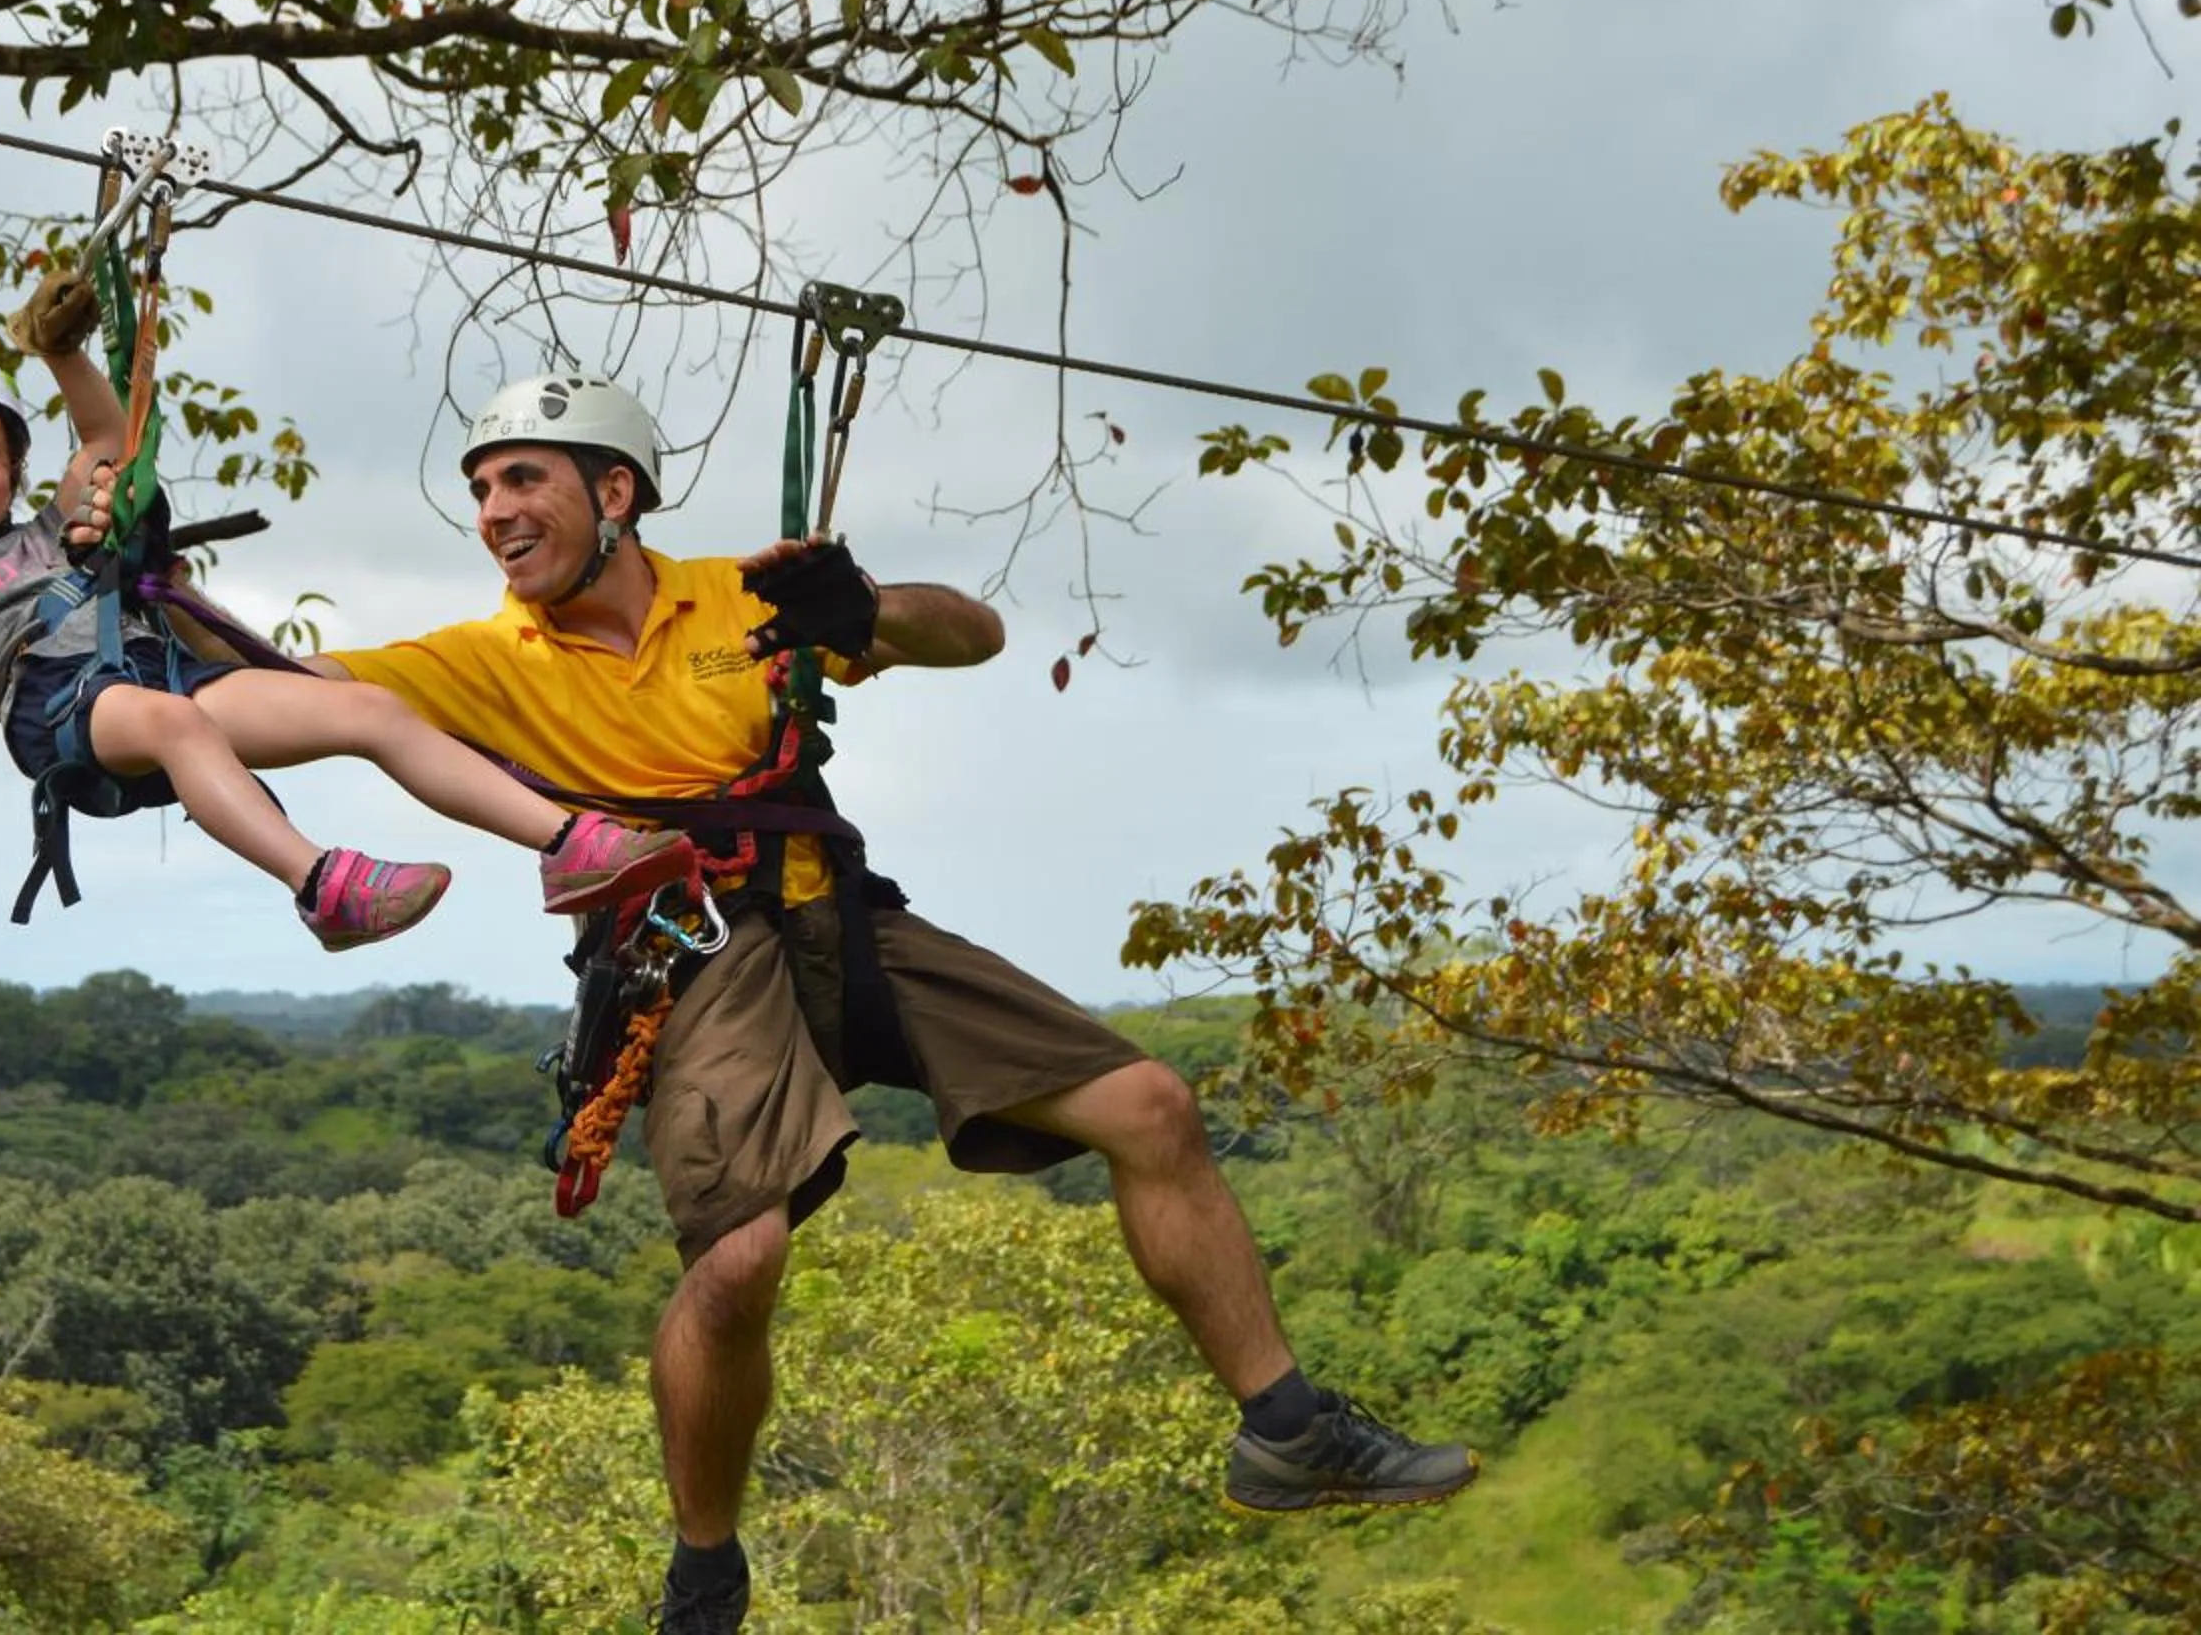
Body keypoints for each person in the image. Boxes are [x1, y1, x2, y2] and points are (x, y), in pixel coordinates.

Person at [309, 373, 1476, 1631]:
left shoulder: (738, 595)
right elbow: (277, 679)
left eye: (521, 477)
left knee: (1150, 1103)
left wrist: (865, 607)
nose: (493, 509)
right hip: (694, 946)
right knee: (740, 1255)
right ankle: (704, 1574)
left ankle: (1290, 1431)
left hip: (842, 915)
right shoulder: (483, 658)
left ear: (614, 490)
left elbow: (970, 631)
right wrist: (103, 590)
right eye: (481, 488)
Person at [0, 265, 694, 948]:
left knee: (368, 708)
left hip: (155, 670)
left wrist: (60, 353)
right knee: (175, 724)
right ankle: (319, 887)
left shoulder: (50, 533)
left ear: (15, 469)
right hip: (59, 708)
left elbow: (106, 438)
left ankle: (573, 845)